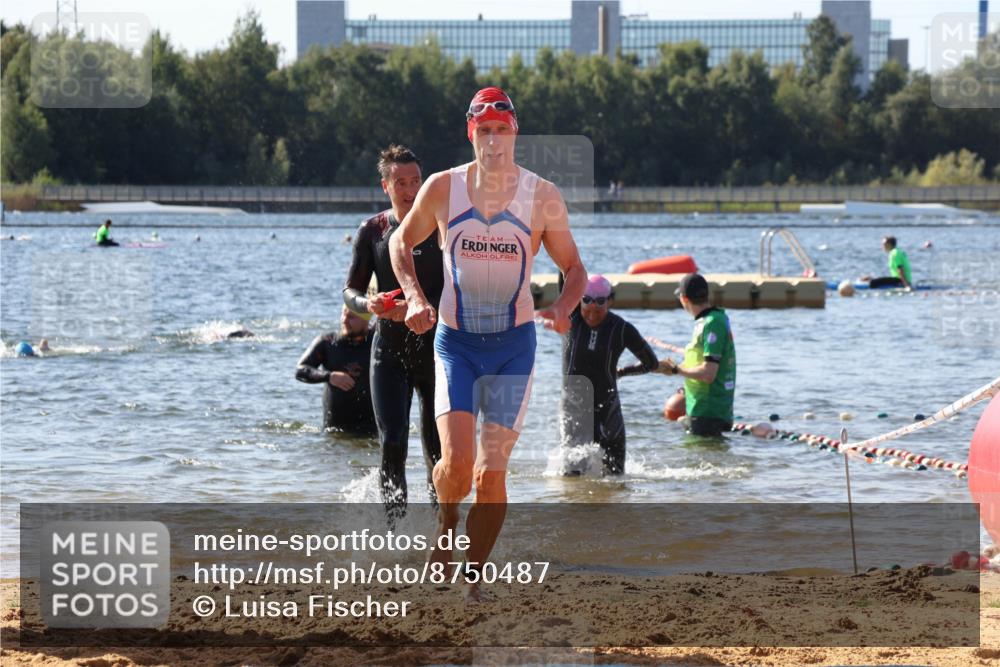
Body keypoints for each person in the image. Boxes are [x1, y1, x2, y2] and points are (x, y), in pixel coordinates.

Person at [389, 86, 587, 601]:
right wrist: (413, 296)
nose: (494, 142)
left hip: (512, 349)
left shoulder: (542, 196)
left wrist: (564, 309)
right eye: (485, 132)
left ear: (514, 134)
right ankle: (446, 527)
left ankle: (474, 576)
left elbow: (574, 269)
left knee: (490, 473)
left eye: (503, 131)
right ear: (471, 134)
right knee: (454, 467)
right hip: (455, 344)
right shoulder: (442, 188)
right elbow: (399, 242)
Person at [343, 143, 444, 517]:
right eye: (401, 182)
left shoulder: (441, 227)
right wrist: (366, 305)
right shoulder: (372, 231)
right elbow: (349, 291)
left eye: (416, 180)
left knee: (438, 448)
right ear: (385, 185)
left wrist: (427, 308)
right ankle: (395, 530)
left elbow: (458, 286)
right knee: (393, 443)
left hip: (436, 351)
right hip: (389, 352)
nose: (410, 189)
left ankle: (441, 528)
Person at [562, 275, 659, 475]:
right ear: (579, 299)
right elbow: (567, 274)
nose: (591, 314)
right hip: (575, 409)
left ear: (610, 301)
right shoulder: (572, 317)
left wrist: (622, 372)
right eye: (586, 305)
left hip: (607, 408)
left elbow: (652, 363)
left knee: (615, 477)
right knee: (572, 476)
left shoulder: (621, 329)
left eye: (598, 307)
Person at [660, 273, 736, 438]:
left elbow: (709, 373)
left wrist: (676, 370)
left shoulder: (712, 323)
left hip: (707, 412)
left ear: (684, 299)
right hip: (702, 408)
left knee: (699, 460)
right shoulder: (711, 319)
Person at [295, 306, 377, 437]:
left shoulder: (377, 341)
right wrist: (329, 376)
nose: (344, 320)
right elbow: (300, 370)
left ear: (366, 319)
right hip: (335, 432)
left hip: (373, 431)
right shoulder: (328, 343)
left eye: (351, 317)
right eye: (343, 314)